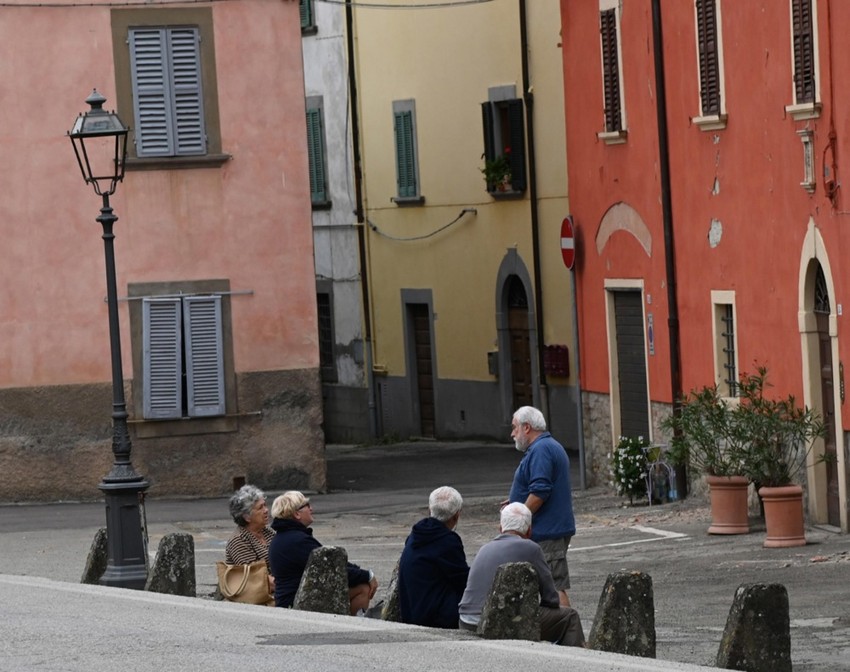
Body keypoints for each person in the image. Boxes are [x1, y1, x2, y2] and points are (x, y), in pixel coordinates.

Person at [457, 502, 585, 647]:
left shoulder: (484, 548)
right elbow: (551, 599)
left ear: (500, 528)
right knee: (570, 617)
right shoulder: (531, 548)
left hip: (466, 620)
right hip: (495, 621)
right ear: (529, 531)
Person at [506, 405, 576, 607]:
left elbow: (540, 492)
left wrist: (518, 519)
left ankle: (567, 634)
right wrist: (515, 500)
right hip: (548, 529)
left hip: (547, 531)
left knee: (554, 586)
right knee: (548, 584)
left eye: (515, 428)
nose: (512, 434)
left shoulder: (542, 449)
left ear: (526, 427)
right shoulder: (544, 447)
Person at [268, 490, 378, 614]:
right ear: (297, 514)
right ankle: (352, 626)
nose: (311, 508)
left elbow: (333, 562)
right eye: (307, 506)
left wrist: (360, 572)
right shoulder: (297, 541)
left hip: (288, 599)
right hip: (295, 603)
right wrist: (367, 576)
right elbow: (332, 569)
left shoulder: (284, 537)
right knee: (363, 588)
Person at [397, 486, 470, 629]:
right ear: (456, 516)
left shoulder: (416, 534)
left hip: (410, 610)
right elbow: (463, 579)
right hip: (434, 615)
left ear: (429, 511)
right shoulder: (448, 541)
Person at [224, 484, 275, 596]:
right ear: (247, 517)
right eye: (260, 508)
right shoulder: (239, 540)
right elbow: (255, 579)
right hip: (256, 597)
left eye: (265, 505)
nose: (266, 510)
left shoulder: (268, 532)